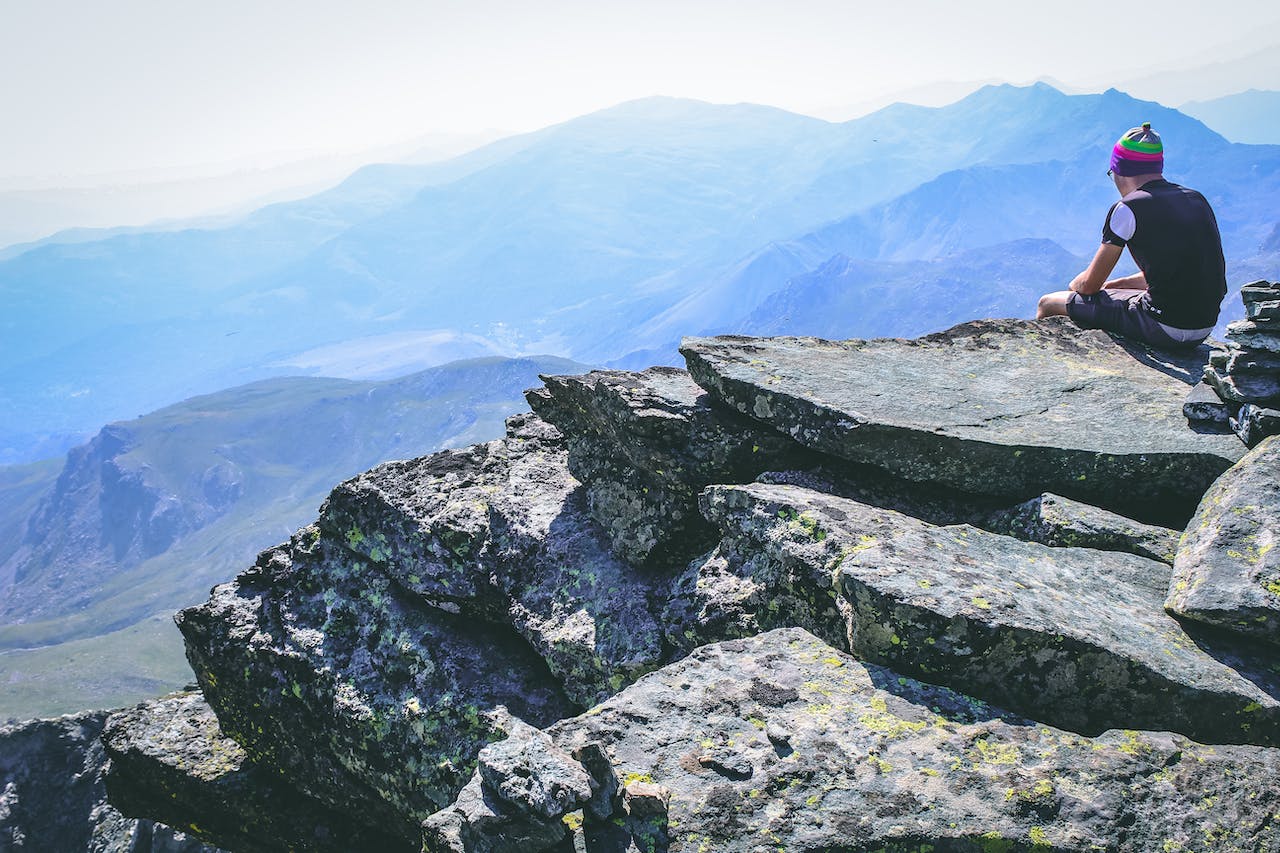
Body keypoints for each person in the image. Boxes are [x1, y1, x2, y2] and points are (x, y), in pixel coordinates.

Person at [1036, 122, 1227, 348]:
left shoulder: (1127, 208)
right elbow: (1181, 271)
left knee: (1048, 303)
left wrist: (1075, 283)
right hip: (1204, 327)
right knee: (1108, 294)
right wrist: (1118, 285)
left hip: (1161, 325)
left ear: (1120, 171)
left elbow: (1088, 286)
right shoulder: (1196, 200)